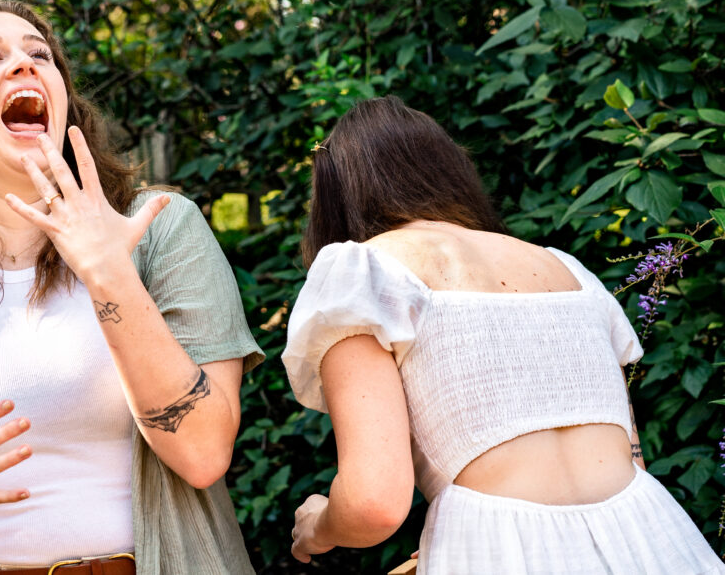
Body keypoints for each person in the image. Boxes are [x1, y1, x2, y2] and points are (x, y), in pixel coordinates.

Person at [0, 0, 263, 575]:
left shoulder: (159, 229)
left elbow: (204, 453)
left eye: (40, 55)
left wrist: (108, 270)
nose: (24, 64)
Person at [282, 96, 723, 573]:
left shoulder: (363, 270)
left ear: (334, 195)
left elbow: (375, 503)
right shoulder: (567, 269)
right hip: (649, 539)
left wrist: (320, 524)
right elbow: (630, 459)